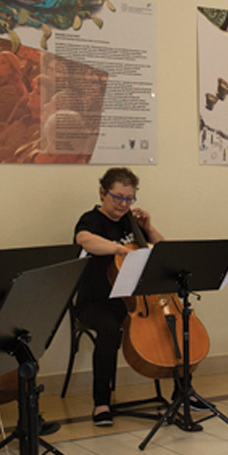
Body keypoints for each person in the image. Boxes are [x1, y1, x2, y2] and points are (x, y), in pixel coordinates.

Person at [73, 167, 164, 427]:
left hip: (133, 302)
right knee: (109, 330)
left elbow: (162, 251)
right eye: (118, 197)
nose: (124, 204)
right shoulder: (91, 220)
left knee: (168, 322)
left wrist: (148, 229)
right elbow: (84, 240)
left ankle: (185, 391)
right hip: (97, 301)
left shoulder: (131, 222)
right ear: (103, 192)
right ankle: (102, 403)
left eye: (129, 198)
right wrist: (120, 249)